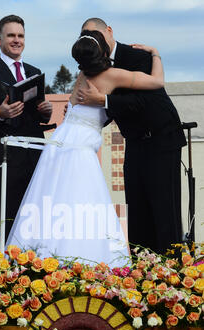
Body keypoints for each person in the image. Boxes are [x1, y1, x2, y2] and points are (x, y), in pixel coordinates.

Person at [6, 30, 164, 266]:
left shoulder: (82, 74)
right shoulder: (113, 75)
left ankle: (43, 257)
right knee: (83, 203)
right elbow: (157, 82)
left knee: (52, 201)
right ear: (103, 51)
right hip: (79, 146)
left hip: (62, 139)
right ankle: (80, 260)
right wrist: (155, 54)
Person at [76, 18, 187, 255]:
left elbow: (148, 100)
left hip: (162, 140)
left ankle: (172, 273)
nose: (92, 38)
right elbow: (107, 109)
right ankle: (140, 273)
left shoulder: (138, 57)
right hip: (134, 142)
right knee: (136, 210)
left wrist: (103, 101)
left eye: (95, 33)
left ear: (108, 31)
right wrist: (84, 112)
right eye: (85, 34)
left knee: (164, 210)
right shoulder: (94, 66)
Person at [0, 15, 53, 249]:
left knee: (36, 212)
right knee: (8, 214)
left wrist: (45, 112)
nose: (17, 40)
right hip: (4, 152)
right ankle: (7, 267)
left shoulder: (35, 71)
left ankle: (38, 265)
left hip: (35, 151)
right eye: (11, 35)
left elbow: (36, 113)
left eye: (21, 36)